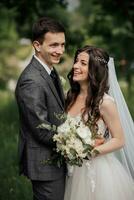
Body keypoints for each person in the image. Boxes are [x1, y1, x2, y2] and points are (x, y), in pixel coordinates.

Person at [64, 45, 134, 200]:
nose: (75, 66)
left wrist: (89, 152)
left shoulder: (105, 102)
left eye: (83, 63)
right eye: (76, 61)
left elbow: (119, 140)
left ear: (94, 69)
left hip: (98, 172)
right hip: (72, 171)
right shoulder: (68, 96)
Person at [15, 17, 66, 200]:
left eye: (62, 45)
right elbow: (41, 129)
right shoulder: (31, 80)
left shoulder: (50, 71)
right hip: (45, 165)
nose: (59, 51)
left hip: (57, 160)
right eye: (53, 45)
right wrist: (76, 143)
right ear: (37, 45)